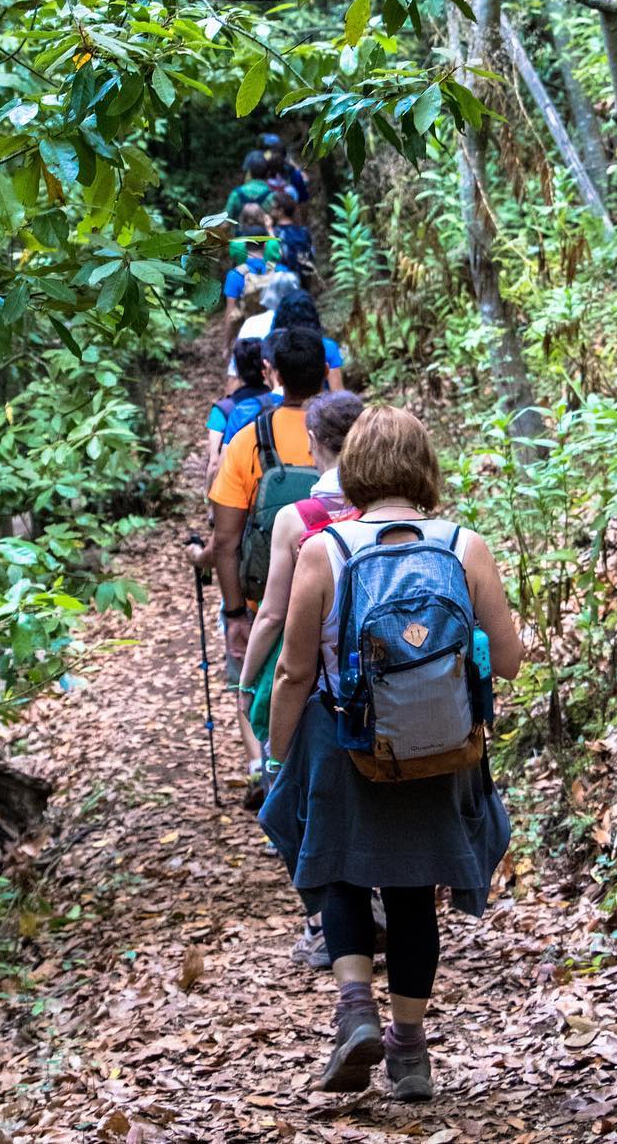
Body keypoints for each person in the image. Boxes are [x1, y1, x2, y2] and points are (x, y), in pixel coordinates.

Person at [259, 407, 523, 1102]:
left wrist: (276, 751)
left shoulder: (326, 550)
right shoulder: (467, 547)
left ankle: (354, 1009)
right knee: (413, 894)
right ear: (426, 470)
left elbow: (292, 672)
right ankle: (410, 1054)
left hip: (342, 740)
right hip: (439, 746)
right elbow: (514, 660)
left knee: (341, 872)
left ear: (354, 473)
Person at [236, 390, 364, 946]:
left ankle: (322, 919)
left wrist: (247, 678)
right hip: (379, 675)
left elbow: (272, 612)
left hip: (314, 681)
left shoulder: (299, 517)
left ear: (314, 444)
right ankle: (373, 895)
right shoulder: (389, 508)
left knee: (295, 795)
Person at [210, 326, 329, 770]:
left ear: (270, 371)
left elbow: (225, 540)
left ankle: (268, 773)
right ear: (324, 373)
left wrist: (236, 613)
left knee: (260, 687)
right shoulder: (350, 437)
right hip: (344, 598)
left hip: (267, 602)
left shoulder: (249, 441)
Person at [205, 338, 279, 493]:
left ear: (237, 370)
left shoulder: (222, 410)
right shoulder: (280, 401)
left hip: (240, 488)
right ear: (265, 364)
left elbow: (214, 462)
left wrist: (209, 496)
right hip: (276, 482)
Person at [222, 202, 271, 357]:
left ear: (245, 244)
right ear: (265, 245)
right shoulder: (278, 272)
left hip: (246, 337)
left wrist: (226, 345)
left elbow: (231, 314)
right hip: (272, 336)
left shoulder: (235, 275)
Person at [271, 291, 344, 392]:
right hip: (321, 405)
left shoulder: (277, 349)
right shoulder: (327, 347)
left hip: (286, 405)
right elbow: (337, 392)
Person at [268, 192, 315, 287]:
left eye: (273, 208)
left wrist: (268, 230)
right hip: (303, 279)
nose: (270, 210)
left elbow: (272, 256)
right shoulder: (303, 231)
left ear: (280, 211)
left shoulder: (275, 233)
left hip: (283, 280)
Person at [225, 150, 274, 220]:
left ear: (249, 173)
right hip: (265, 230)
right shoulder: (272, 196)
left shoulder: (236, 194)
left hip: (241, 230)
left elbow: (226, 221)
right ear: (268, 174)